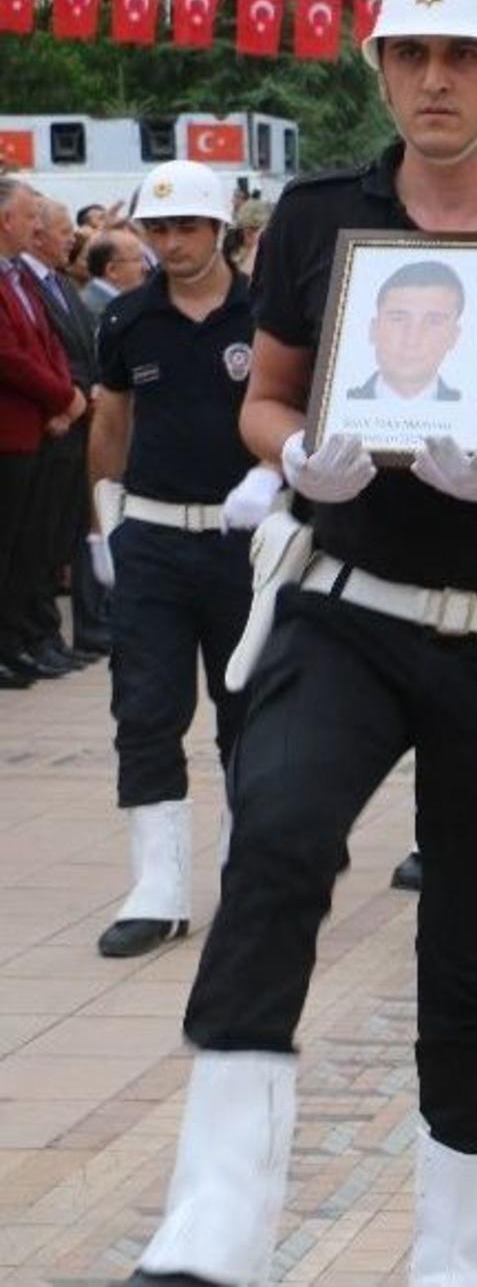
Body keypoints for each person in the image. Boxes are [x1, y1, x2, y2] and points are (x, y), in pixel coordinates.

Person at [124, 0, 477, 1287]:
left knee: (474, 950)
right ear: (378, 66)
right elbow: (271, 395)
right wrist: (291, 458)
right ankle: (215, 1220)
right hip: (349, 606)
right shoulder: (321, 218)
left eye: (466, 57)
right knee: (277, 839)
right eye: (411, 55)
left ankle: (456, 1255)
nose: (435, 80)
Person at [88, 159, 283, 959]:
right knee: (145, 706)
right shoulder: (127, 320)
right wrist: (106, 521)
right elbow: (111, 422)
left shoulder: (267, 313)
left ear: (223, 232)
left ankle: (251, 873)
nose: (171, 243)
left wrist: (280, 486)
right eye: (158, 228)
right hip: (156, 539)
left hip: (245, 539)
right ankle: (158, 884)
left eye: (187, 227)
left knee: (252, 711)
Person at [0, 178, 85, 689]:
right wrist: (62, 396)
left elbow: (46, 343)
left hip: (34, 429)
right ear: (6, 220)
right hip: (12, 431)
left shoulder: (16, 279)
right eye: (31, 216)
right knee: (8, 547)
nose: (36, 227)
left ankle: (20, 641)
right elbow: (9, 355)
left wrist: (67, 397)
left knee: (28, 547)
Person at [20, 197, 104, 669]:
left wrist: (86, 391)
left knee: (55, 536)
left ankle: (44, 634)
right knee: (32, 540)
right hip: (52, 421)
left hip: (74, 417)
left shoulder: (56, 281)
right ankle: (28, 635)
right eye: (59, 229)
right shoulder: (24, 280)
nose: (70, 237)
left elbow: (70, 344)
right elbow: (26, 355)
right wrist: (68, 397)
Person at [348, 259, 464, 401]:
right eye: (398, 319)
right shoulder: (334, 405)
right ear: (374, 329)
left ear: (453, 336)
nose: (412, 340)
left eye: (433, 322)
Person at [81, 228, 148, 320]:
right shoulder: (94, 309)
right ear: (112, 270)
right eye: (137, 260)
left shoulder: (117, 303)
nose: (146, 268)